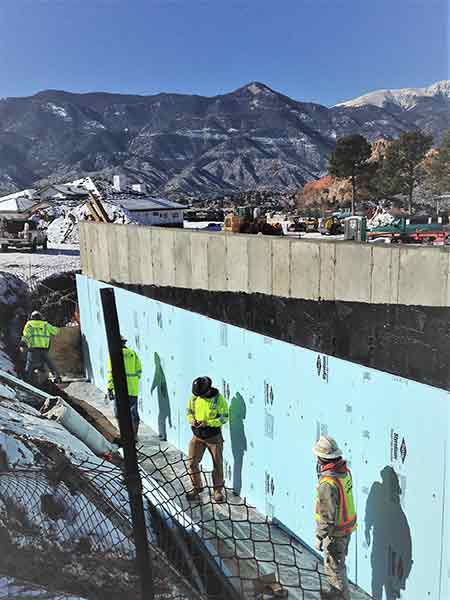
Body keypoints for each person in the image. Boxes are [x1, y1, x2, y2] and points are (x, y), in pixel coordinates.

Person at [313, 436, 357, 600]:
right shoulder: (344, 472)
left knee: (334, 572)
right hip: (346, 530)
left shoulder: (327, 482)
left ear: (320, 458)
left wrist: (320, 536)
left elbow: (327, 515)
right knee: (339, 568)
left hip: (335, 534)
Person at [186, 376, 229, 503]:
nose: (200, 397)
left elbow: (224, 418)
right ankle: (197, 488)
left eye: (202, 394)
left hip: (214, 438)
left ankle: (217, 491)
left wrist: (209, 423)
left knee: (217, 464)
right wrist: (192, 420)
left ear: (208, 390)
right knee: (192, 463)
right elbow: (189, 412)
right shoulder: (194, 397)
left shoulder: (218, 399)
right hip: (197, 436)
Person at [107, 337, 142, 440]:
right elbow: (139, 370)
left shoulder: (114, 356)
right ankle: (134, 436)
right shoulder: (133, 354)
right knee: (133, 413)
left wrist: (110, 388)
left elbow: (111, 374)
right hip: (133, 389)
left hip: (120, 389)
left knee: (119, 413)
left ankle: (124, 435)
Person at [21, 310, 61, 383]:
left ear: (32, 317)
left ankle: (26, 380)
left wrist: (23, 343)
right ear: (40, 317)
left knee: (30, 365)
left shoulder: (29, 324)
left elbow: (26, 335)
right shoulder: (45, 324)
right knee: (49, 363)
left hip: (33, 349)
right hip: (44, 349)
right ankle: (57, 377)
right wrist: (57, 326)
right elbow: (55, 332)